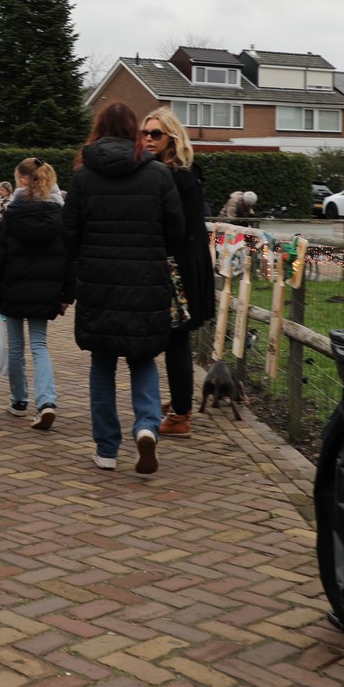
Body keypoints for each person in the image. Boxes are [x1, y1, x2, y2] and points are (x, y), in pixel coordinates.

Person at [63, 102, 185, 475]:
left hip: (98, 283)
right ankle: (146, 427)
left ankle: (106, 449)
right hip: (145, 282)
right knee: (143, 358)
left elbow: (68, 234)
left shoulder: (84, 177)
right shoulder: (158, 175)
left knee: (102, 363)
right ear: (135, 130)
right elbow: (176, 231)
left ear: (99, 129)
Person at [142, 108, 216, 438]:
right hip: (186, 263)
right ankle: (180, 402)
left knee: (175, 339)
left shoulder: (172, 175)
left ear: (171, 137)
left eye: (156, 134)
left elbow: (175, 226)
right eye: (145, 133)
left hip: (176, 267)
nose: (148, 138)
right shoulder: (182, 171)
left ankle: (180, 415)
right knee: (176, 338)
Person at [0, 158, 67, 429]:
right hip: (46, 290)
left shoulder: (11, 215)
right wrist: (67, 294)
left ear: (22, 181)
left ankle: (19, 400)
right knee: (39, 345)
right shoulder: (59, 216)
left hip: (13, 289)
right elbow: (69, 258)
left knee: (16, 347)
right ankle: (47, 401)